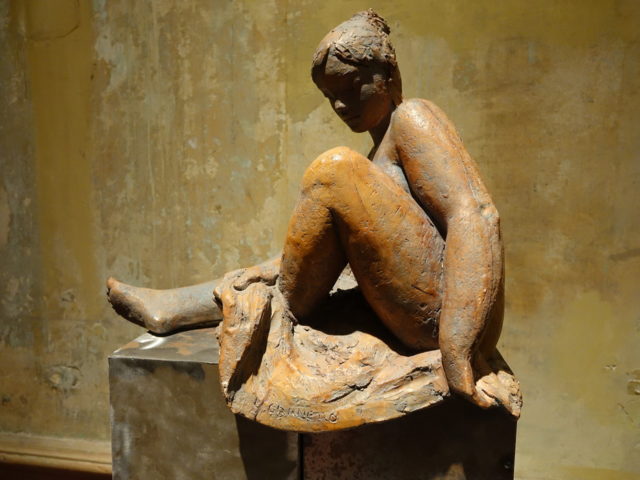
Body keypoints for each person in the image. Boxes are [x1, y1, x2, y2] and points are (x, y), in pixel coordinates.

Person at [108, 10, 510, 412]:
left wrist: (458, 347)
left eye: (351, 86)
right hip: (418, 307)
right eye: (330, 96)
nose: (341, 104)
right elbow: (330, 254)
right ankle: (176, 308)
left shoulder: (413, 117)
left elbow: (474, 214)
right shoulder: (379, 154)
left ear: (387, 75)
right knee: (269, 265)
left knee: (334, 169)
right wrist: (265, 270)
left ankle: (271, 311)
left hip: (442, 317)